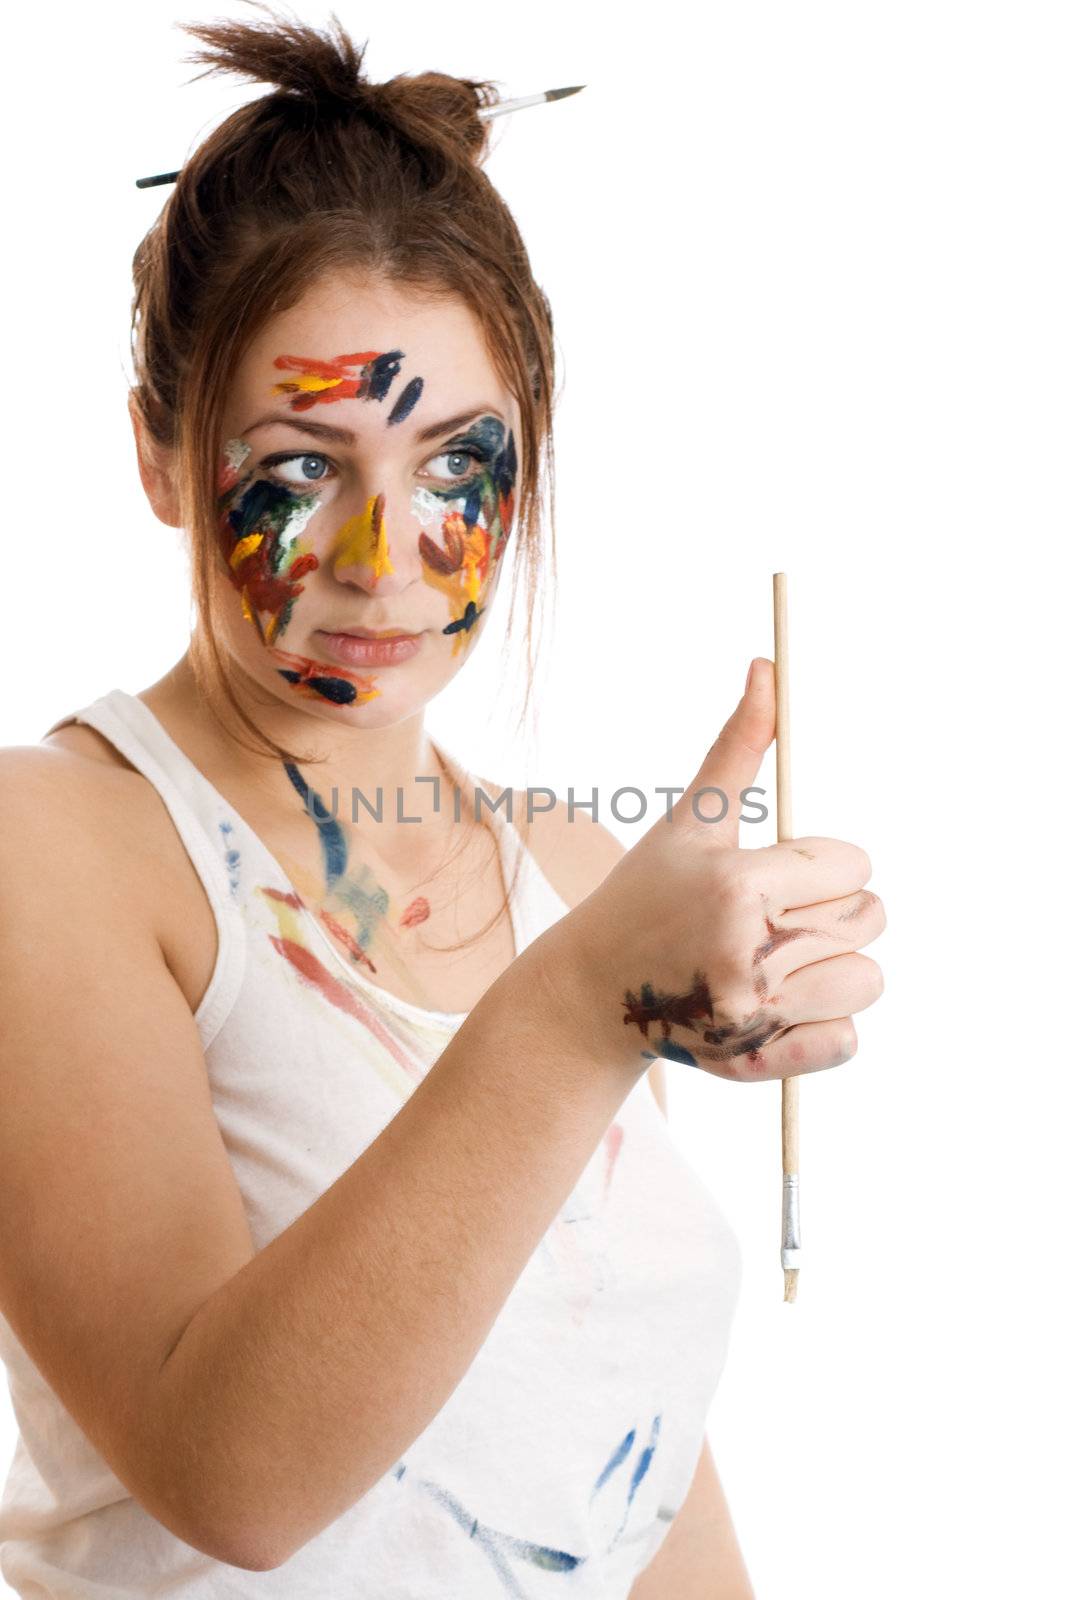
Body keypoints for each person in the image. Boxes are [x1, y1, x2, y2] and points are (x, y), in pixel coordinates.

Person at [0, 9, 886, 1594]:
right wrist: (585, 1008)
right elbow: (233, 1479)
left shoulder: (569, 869)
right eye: (298, 465)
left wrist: (609, 973)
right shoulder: (61, 848)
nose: (378, 559)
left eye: (453, 467)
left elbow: (635, 1471)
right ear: (154, 453)